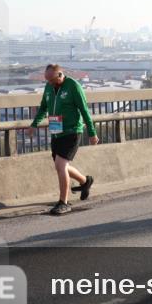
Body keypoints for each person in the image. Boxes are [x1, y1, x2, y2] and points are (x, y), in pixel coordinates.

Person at [28, 64, 99, 215]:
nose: (49, 83)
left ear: (60, 75)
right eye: (47, 80)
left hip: (72, 131)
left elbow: (84, 110)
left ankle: (63, 202)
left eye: (52, 80)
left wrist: (92, 132)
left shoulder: (73, 86)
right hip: (56, 131)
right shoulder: (49, 87)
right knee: (61, 166)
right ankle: (85, 182)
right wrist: (34, 124)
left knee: (61, 165)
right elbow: (43, 107)